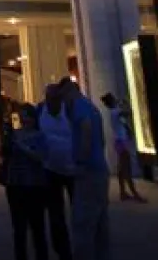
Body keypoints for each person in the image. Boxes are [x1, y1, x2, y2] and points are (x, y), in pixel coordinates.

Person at [60, 77, 110, 260]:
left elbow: (86, 130)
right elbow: (102, 139)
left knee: (83, 222)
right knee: (100, 222)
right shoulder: (91, 107)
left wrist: (80, 160)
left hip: (87, 172)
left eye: (63, 96)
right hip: (99, 170)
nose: (63, 102)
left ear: (69, 92)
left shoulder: (79, 107)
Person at [0, 105, 52, 260]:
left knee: (37, 227)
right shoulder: (14, 135)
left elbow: (42, 156)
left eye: (27, 116)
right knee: (19, 228)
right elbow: (5, 155)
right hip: (15, 184)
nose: (24, 120)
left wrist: (24, 148)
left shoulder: (39, 136)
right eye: (21, 117)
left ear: (34, 118)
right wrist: (7, 137)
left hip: (35, 185)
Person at [36, 84, 74, 260]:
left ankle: (80, 243)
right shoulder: (40, 111)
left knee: (79, 209)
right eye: (49, 98)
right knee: (55, 213)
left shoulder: (71, 111)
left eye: (55, 98)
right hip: (49, 169)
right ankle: (62, 250)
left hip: (73, 169)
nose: (52, 101)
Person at [100, 92, 146, 203]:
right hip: (122, 142)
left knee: (122, 167)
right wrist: (126, 102)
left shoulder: (113, 112)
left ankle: (123, 192)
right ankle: (134, 193)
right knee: (126, 168)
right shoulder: (116, 112)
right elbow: (129, 112)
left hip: (119, 141)